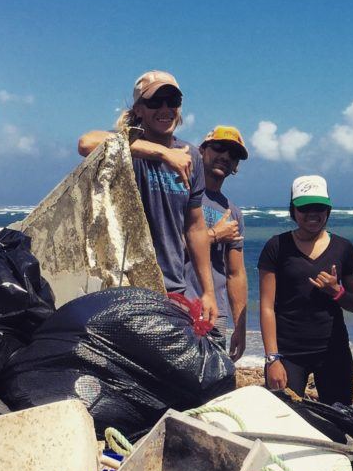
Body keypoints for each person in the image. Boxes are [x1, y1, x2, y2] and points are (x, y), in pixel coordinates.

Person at [77, 70, 216, 325]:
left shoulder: (192, 157)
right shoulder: (123, 149)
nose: (165, 109)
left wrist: (208, 292)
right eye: (154, 102)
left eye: (171, 102)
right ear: (139, 109)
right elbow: (86, 143)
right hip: (124, 285)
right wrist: (162, 153)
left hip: (172, 288)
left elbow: (195, 228)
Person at [258, 176, 353, 404]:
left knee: (339, 423)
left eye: (319, 207)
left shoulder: (343, 248)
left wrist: (337, 291)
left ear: (328, 209)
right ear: (293, 210)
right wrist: (272, 358)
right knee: (284, 418)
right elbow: (266, 306)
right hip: (288, 353)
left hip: (333, 352)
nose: (313, 214)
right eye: (305, 208)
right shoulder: (276, 246)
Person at [187, 127, 248, 359]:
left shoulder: (233, 212)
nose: (225, 156)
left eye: (233, 154)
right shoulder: (181, 193)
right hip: (178, 303)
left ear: (236, 166)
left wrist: (239, 326)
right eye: (219, 148)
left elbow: (236, 273)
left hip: (215, 314)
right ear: (202, 150)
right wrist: (213, 235)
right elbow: (164, 246)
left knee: (211, 385)